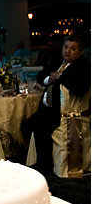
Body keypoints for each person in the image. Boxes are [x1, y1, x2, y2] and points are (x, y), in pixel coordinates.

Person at [25, 35, 90, 176]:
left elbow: (80, 88)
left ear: (80, 52)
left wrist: (60, 77)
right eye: (66, 47)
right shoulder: (58, 62)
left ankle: (44, 166)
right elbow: (41, 75)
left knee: (37, 126)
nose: (68, 51)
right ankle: (40, 164)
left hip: (63, 113)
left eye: (73, 49)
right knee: (27, 124)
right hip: (48, 110)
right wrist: (49, 79)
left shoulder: (83, 67)